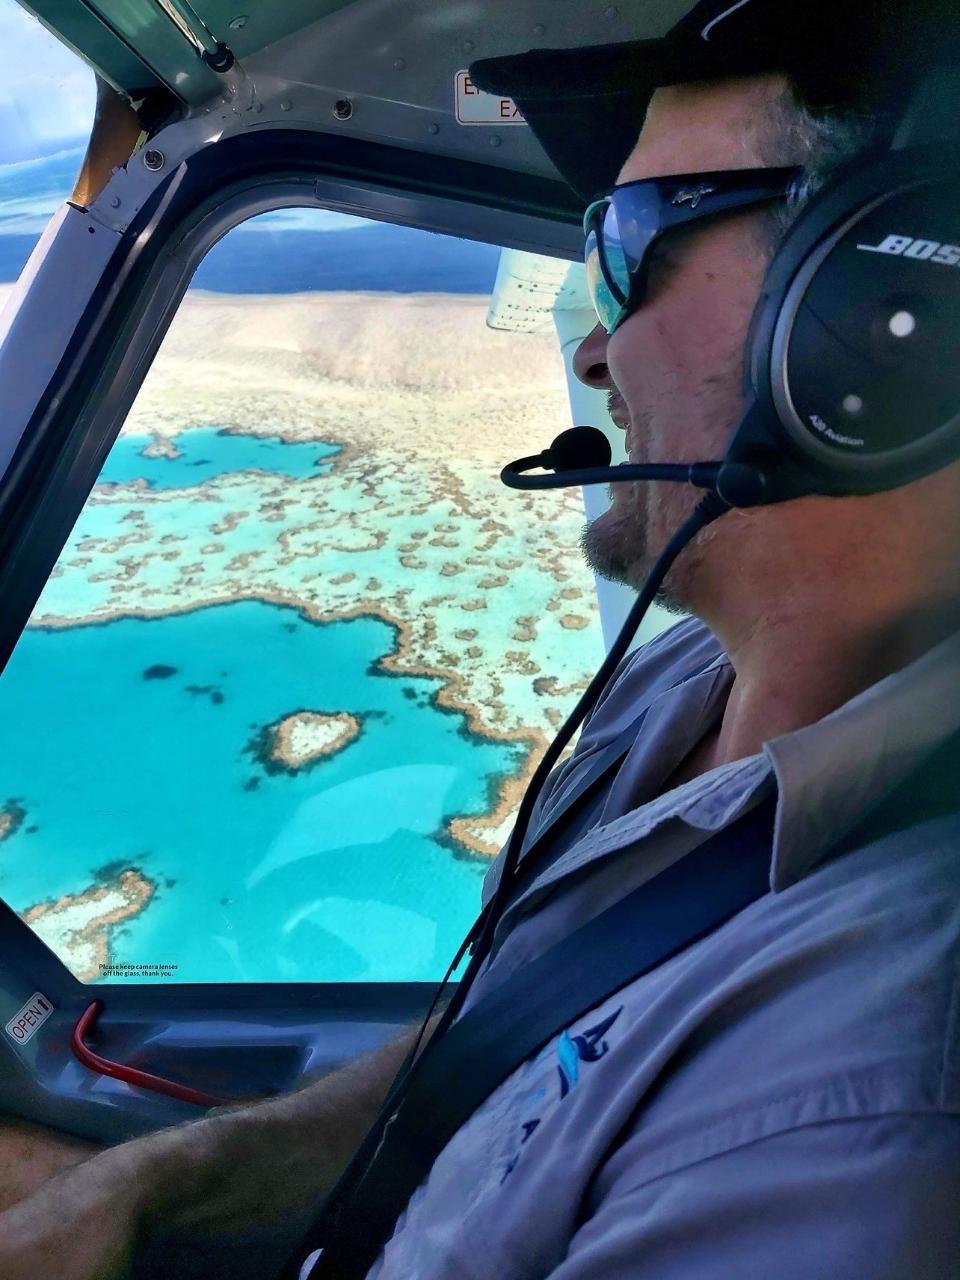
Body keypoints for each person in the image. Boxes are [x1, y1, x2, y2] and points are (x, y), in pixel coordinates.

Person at [3, 0, 960, 1276]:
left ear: (888, 299)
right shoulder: (678, 687)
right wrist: (149, 1187)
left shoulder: (871, 1109)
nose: (592, 344)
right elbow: (506, 1050)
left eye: (625, 247)